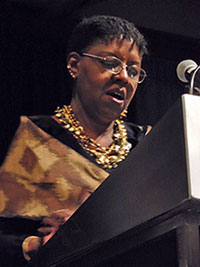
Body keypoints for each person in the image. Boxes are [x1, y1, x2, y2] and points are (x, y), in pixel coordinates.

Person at [0, 15, 150, 266]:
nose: (124, 76)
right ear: (74, 65)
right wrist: (35, 246)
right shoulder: (32, 137)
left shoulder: (147, 144)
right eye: (111, 62)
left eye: (133, 70)